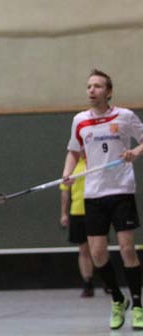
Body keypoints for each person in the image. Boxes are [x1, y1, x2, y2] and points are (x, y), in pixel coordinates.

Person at [62, 68, 143, 330]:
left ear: (108, 92)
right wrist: (67, 173)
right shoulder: (80, 121)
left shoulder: (125, 116)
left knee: (127, 249)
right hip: (94, 193)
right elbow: (73, 152)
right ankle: (118, 300)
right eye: (89, 86)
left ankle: (138, 304)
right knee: (97, 253)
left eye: (97, 86)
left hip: (121, 191)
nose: (91, 90)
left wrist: (135, 151)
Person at [59, 153, 96, 298]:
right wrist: (64, 214)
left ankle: (108, 283)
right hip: (77, 213)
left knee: (98, 249)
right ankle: (88, 283)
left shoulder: (95, 163)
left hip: (96, 211)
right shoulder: (71, 166)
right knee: (84, 250)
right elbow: (65, 191)